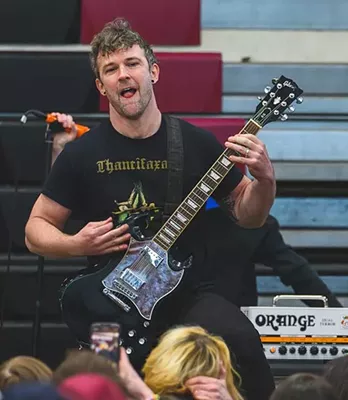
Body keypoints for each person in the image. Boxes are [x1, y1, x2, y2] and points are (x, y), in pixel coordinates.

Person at [24, 18, 276, 400]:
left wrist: (266, 181)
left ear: (153, 71)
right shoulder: (82, 154)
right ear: (101, 86)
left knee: (243, 342)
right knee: (99, 383)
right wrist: (77, 244)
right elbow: (35, 229)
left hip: (186, 291)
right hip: (112, 300)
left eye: (132, 63)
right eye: (111, 69)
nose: (123, 75)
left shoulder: (196, 143)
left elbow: (248, 214)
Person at [202, 204, 348, 356]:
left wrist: (345, 328)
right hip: (214, 333)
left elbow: (297, 272)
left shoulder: (251, 222)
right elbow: (296, 271)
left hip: (227, 339)